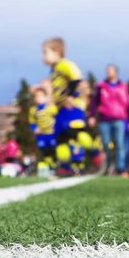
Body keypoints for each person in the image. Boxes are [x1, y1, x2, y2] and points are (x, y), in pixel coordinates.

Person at [42, 37, 92, 175]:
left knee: (75, 132)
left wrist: (71, 95)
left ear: (57, 52)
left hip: (72, 106)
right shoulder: (53, 71)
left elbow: (76, 78)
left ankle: (95, 154)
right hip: (61, 110)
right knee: (60, 138)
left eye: (46, 53)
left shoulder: (65, 64)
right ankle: (65, 167)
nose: (43, 57)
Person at [88, 64, 129, 177]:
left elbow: (128, 104)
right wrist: (92, 116)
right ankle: (107, 165)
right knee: (105, 144)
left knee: (120, 144)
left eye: (110, 70)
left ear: (116, 72)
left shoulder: (123, 86)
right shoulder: (101, 86)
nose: (108, 72)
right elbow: (95, 102)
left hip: (119, 119)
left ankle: (120, 168)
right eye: (107, 70)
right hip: (104, 119)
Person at [29, 87, 58, 176]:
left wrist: (55, 125)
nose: (39, 98)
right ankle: (47, 167)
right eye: (37, 96)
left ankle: (54, 166)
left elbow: (57, 117)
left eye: (41, 96)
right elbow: (32, 122)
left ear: (45, 97)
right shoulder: (33, 110)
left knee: (53, 149)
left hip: (51, 133)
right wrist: (35, 129)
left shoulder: (51, 108)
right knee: (44, 150)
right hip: (41, 135)